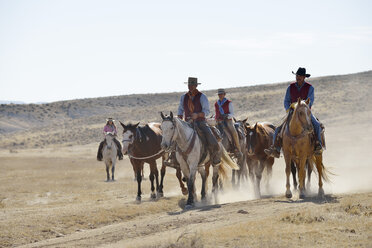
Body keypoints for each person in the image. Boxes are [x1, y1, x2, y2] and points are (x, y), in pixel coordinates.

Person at [264, 67, 323, 158]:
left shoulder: (310, 88)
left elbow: (310, 101)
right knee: (278, 129)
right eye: (297, 75)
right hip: (292, 113)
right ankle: (275, 148)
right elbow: (286, 101)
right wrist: (288, 109)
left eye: (300, 76)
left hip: (305, 112)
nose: (297, 77)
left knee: (317, 125)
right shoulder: (290, 87)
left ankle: (318, 145)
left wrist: (302, 107)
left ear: (304, 77)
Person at [177, 77, 221, 166]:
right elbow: (180, 109)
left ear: (196, 85)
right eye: (189, 85)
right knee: (175, 137)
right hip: (187, 123)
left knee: (211, 138)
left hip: (200, 122)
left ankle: (214, 155)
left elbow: (207, 111)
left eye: (192, 85)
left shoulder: (202, 96)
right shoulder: (184, 97)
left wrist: (197, 115)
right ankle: (174, 158)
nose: (190, 87)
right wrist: (179, 117)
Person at [214, 88, 243, 158]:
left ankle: (238, 149)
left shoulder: (229, 102)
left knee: (234, 132)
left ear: (224, 94)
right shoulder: (216, 103)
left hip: (228, 121)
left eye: (221, 94)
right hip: (218, 121)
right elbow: (216, 112)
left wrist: (226, 116)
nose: (220, 95)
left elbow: (232, 114)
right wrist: (216, 118)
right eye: (219, 94)